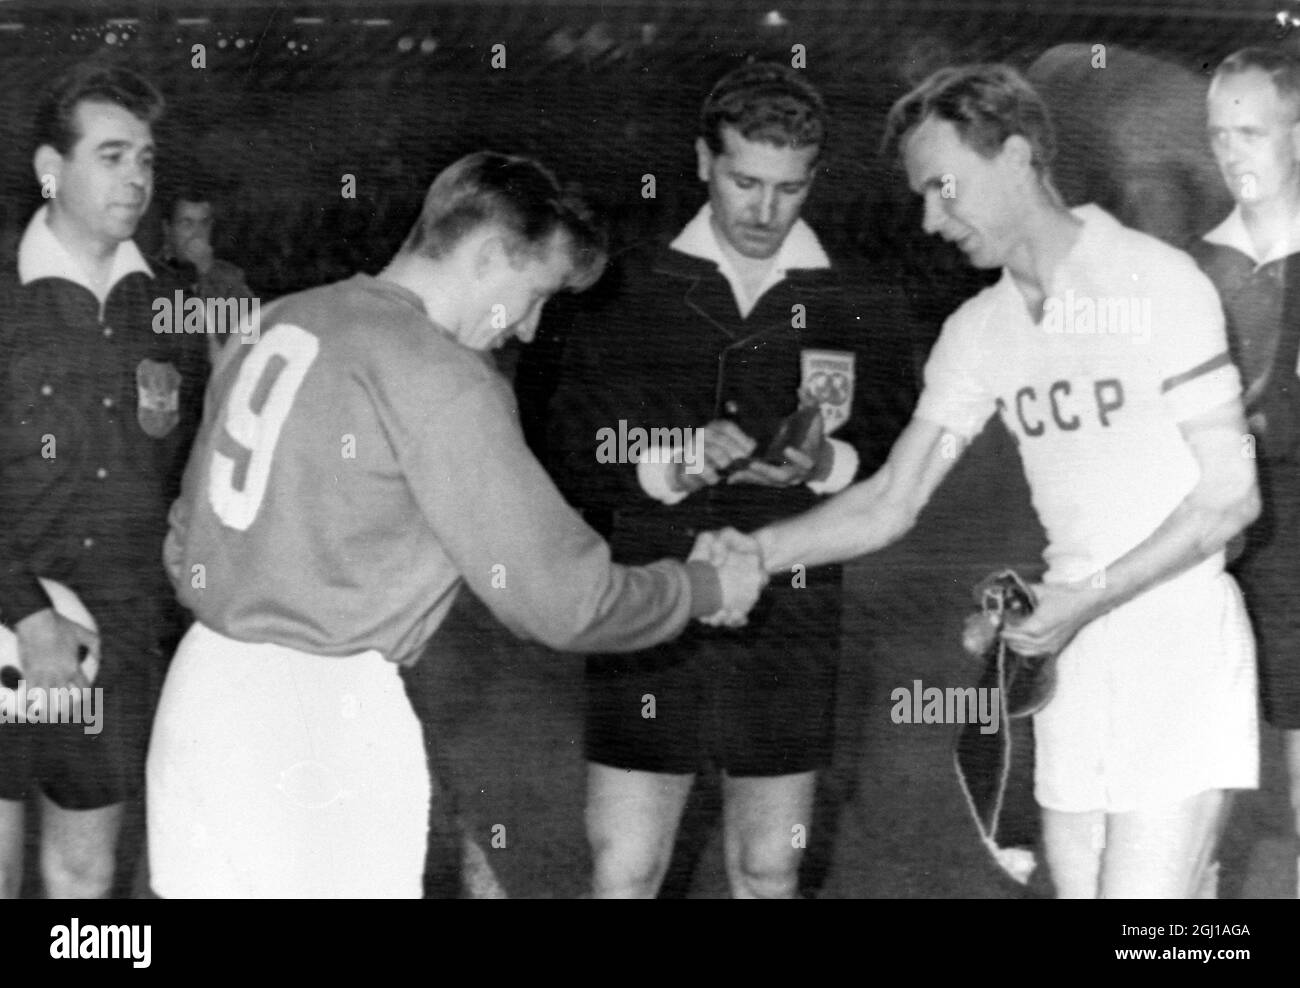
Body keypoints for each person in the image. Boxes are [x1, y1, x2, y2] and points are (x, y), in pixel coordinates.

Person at [147, 150, 767, 899]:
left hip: (198, 693)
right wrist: (701, 586)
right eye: (534, 294)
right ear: (486, 256)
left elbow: (183, 540)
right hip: (320, 725)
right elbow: (563, 602)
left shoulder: (277, 319)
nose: (532, 329)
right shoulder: (443, 375)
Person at [744, 64, 1261, 898]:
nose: (929, 216)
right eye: (919, 195)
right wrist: (745, 551)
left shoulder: (1158, 283)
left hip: (1178, 650)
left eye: (944, 187)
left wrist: (1084, 597)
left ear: (1018, 156)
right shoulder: (977, 332)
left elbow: (1233, 497)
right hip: (1066, 664)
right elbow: (889, 501)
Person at [544, 62, 916, 898]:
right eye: (745, 181)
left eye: (788, 189)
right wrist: (668, 455)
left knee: (769, 866)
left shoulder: (861, 297)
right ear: (702, 162)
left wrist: (829, 462)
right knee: (626, 866)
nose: (764, 210)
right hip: (647, 603)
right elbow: (571, 442)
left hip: (793, 612)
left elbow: (901, 447)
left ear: (814, 178)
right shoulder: (626, 285)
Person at [0, 64, 207, 898]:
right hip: (8, 632)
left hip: (116, 637)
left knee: (84, 874)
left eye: (147, 160)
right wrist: (29, 615)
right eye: (113, 155)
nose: (137, 179)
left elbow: (188, 471)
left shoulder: (174, 306)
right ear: (52, 168)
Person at [1195, 46, 1300, 896]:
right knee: (1193, 775)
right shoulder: (1192, 271)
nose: (1232, 152)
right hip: (1215, 540)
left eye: (1251, 131)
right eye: (1218, 132)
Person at [159, 187, 255, 361]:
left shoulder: (230, 278)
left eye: (204, 223)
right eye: (187, 224)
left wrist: (208, 274)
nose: (197, 234)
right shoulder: (148, 276)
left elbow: (247, 341)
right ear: (168, 229)